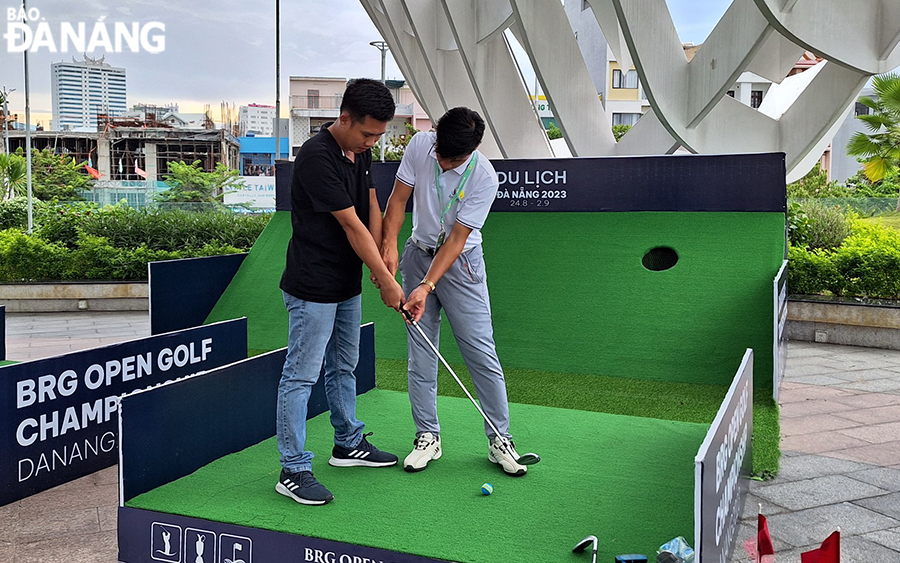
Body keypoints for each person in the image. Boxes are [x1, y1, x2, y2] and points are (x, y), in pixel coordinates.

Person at [380, 107, 529, 476]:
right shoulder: (420, 145)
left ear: (473, 150)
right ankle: (427, 436)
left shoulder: (483, 176)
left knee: (480, 351)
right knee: (421, 353)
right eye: (440, 154)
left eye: (453, 159)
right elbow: (398, 200)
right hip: (417, 254)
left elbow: (458, 238)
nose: (444, 163)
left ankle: (500, 439)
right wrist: (389, 247)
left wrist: (426, 286)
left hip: (461, 264)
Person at [276, 78, 405, 506]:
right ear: (344, 118)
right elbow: (349, 224)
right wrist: (387, 282)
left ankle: (347, 443)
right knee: (300, 375)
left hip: (346, 284)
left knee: (343, 366)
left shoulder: (358, 152)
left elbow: (369, 202)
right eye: (367, 133)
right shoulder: (316, 156)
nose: (372, 142)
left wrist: (386, 250)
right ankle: (292, 469)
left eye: (378, 136)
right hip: (313, 285)